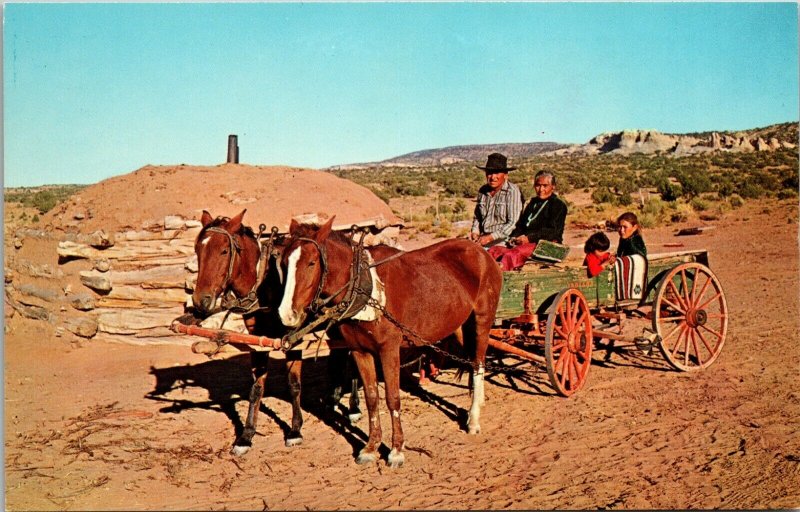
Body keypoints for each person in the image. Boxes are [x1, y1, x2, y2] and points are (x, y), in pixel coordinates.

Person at [488, 170, 568, 271]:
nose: (541, 189)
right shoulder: (533, 203)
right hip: (526, 242)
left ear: (553, 186)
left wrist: (529, 238)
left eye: (545, 186)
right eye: (538, 185)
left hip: (545, 244)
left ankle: (500, 281)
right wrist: (514, 237)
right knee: (494, 251)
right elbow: (521, 225)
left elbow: (552, 231)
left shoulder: (558, 205)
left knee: (512, 255)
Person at [469, 153, 523, 248]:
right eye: (489, 173)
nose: (493, 177)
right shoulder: (483, 191)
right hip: (483, 237)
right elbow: (477, 216)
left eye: (497, 173)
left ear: (505, 175)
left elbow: (512, 223)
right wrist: (475, 231)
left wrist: (490, 237)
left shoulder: (512, 191)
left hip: (503, 240)